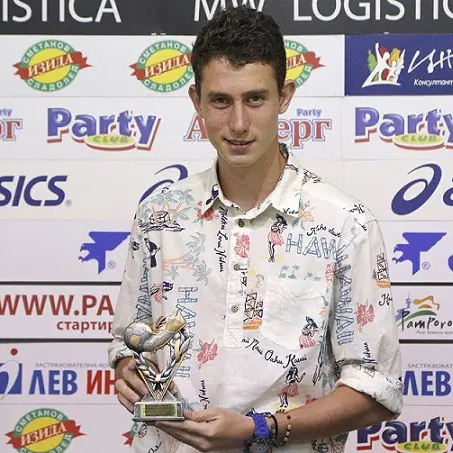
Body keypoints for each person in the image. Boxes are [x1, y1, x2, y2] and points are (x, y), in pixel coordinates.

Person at [109, 5, 403, 453]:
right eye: (221, 101)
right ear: (196, 101)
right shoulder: (160, 214)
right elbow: (129, 340)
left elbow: (376, 389)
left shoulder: (345, 224)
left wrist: (259, 429)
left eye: (255, 99)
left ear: (284, 96)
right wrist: (127, 370)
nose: (239, 124)